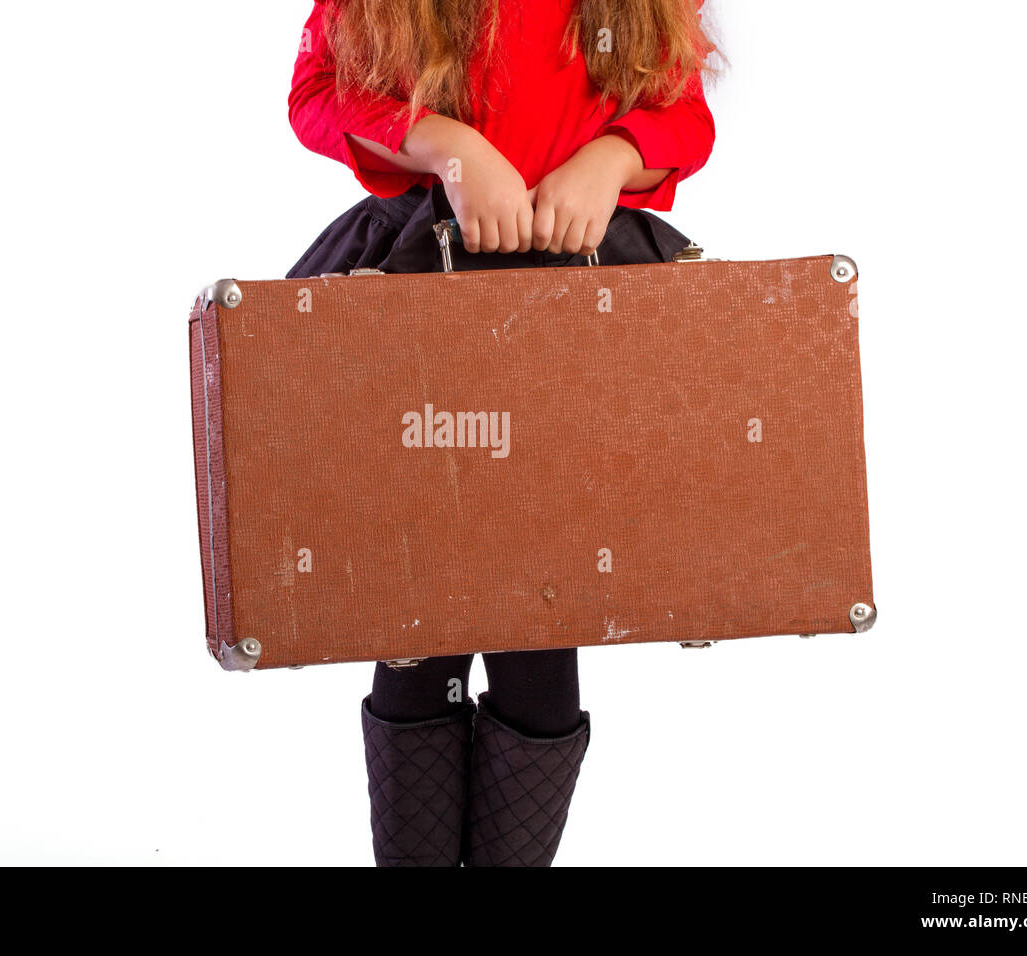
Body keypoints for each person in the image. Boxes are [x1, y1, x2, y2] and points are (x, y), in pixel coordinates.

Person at [285, 0, 717, 866]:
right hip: (418, 287)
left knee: (542, 606)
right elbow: (316, 95)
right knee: (421, 607)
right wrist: (452, 146)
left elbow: (685, 114)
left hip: (577, 305)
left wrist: (609, 159)